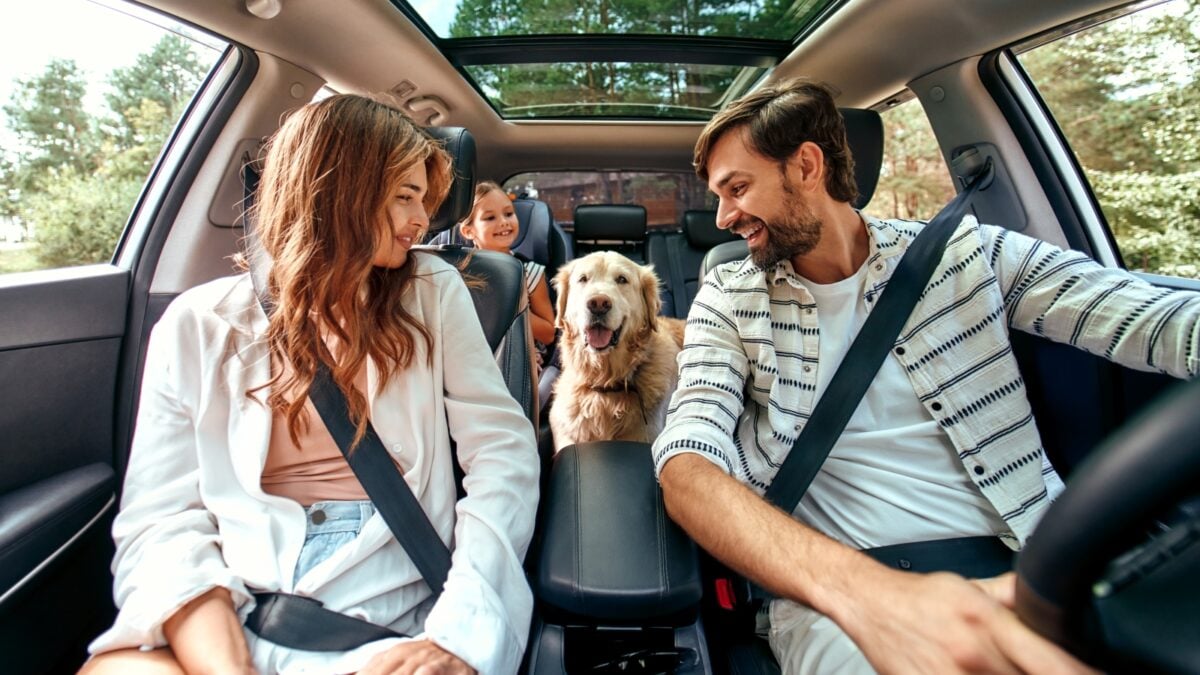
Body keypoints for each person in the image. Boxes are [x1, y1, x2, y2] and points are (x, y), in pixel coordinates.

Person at [652, 78, 1200, 674]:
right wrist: (875, 599)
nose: (724, 216)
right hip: (842, 598)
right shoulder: (728, 296)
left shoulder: (966, 254)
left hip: (1034, 570)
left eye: (737, 188)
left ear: (806, 166)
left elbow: (1156, 319)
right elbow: (688, 463)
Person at [80, 95, 539, 675]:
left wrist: (459, 635)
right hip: (233, 601)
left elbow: (502, 453)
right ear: (333, 190)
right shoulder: (197, 323)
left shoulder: (432, 291)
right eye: (404, 197)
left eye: (423, 200)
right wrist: (226, 663)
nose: (422, 221)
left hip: (386, 613)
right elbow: (161, 520)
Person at [458, 181, 557, 368]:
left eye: (509, 214)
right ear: (468, 231)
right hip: (469, 356)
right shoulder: (458, 273)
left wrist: (506, 307)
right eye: (490, 218)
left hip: (518, 358)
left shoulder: (530, 273)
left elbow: (548, 333)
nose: (504, 221)